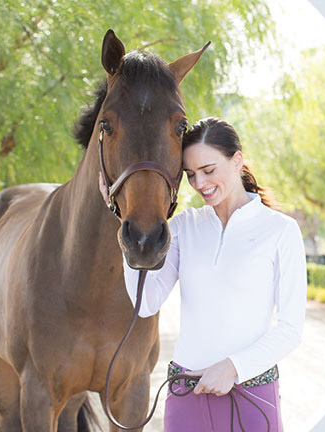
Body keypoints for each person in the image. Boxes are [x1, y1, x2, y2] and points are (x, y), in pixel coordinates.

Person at [101, 117, 307, 431]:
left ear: (237, 160)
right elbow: (146, 304)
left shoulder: (280, 231)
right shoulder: (184, 227)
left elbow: (291, 328)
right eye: (191, 175)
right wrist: (125, 217)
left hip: (250, 394)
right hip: (186, 394)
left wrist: (234, 368)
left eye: (209, 171)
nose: (200, 184)